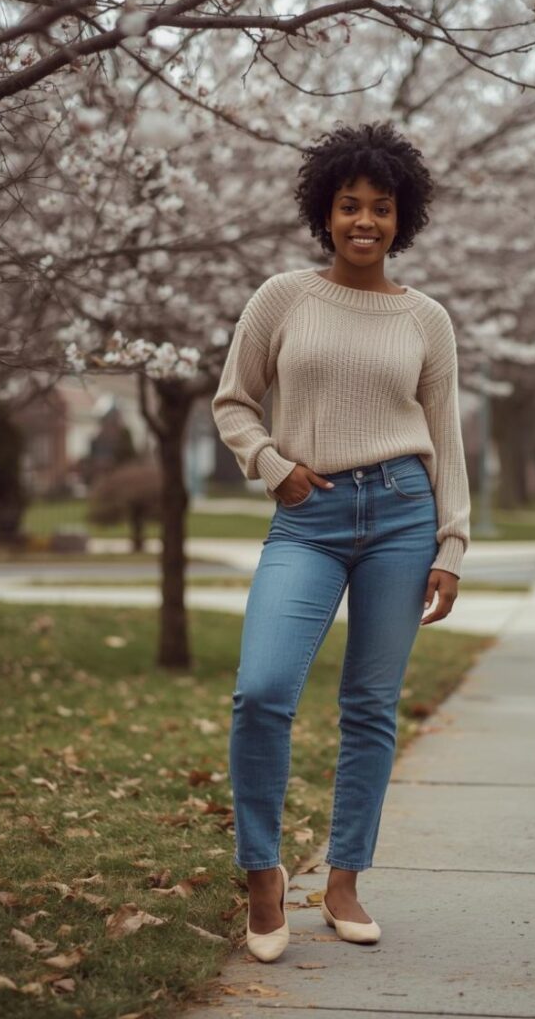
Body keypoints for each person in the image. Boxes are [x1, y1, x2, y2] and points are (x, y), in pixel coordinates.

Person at [212, 120, 471, 963]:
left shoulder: (426, 319)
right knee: (262, 692)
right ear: (325, 212)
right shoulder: (283, 297)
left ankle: (347, 879)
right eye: (349, 206)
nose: (364, 221)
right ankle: (263, 874)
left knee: (368, 707)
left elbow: (446, 434)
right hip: (308, 515)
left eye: (381, 208)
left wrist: (450, 545)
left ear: (403, 218)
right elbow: (233, 402)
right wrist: (269, 463)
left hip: (402, 510)